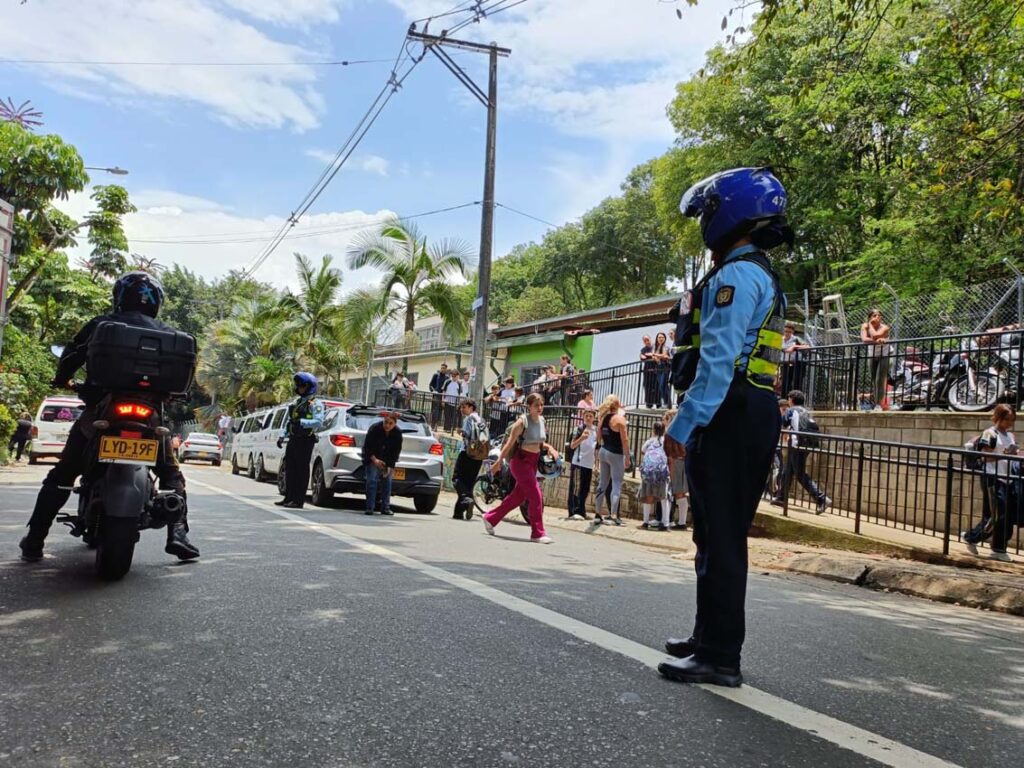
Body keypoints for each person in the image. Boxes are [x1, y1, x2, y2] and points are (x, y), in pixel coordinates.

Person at [660, 167, 790, 688]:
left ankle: (720, 655)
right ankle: (706, 636)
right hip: (742, 409)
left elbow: (717, 365)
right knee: (710, 534)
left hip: (730, 410)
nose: (705, 223)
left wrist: (684, 424)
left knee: (724, 537)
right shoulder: (752, 271)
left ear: (731, 214)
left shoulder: (736, 277)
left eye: (709, 213)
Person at [19, 272, 199, 562]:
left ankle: (35, 539)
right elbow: (185, 379)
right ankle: (178, 533)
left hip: (103, 409)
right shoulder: (171, 335)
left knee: (64, 473)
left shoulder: (102, 324)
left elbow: (70, 357)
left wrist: (62, 379)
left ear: (119, 297)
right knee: (170, 474)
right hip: (149, 416)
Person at [482, 393, 559, 543]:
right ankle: (537, 533)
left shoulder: (542, 421)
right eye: (536, 405)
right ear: (529, 407)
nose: (540, 408)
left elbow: (539, 442)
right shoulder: (522, 422)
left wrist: (550, 448)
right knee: (536, 496)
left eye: (541, 404)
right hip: (520, 462)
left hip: (533, 462)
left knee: (517, 498)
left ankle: (490, 518)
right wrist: (498, 463)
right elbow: (509, 444)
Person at [963, 404, 1020, 562]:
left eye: (1012, 420)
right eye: (1007, 419)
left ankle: (994, 547)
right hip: (992, 477)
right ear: (998, 417)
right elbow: (985, 457)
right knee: (998, 514)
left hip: (1007, 478)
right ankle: (976, 539)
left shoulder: (1010, 436)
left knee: (1003, 515)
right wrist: (1006, 454)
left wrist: (1015, 454)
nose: (1009, 423)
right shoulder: (990, 433)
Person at [771, 390, 830, 514]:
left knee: (800, 474)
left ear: (791, 400)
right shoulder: (806, 411)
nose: (788, 401)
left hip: (797, 444)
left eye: (789, 399)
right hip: (807, 444)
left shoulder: (791, 411)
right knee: (787, 472)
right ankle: (781, 497)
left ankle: (821, 498)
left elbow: (782, 423)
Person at [276, 371, 325, 510]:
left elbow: (319, 422)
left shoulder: (315, 403)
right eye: (298, 386)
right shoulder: (297, 403)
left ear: (309, 386)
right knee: (290, 469)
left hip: (305, 440)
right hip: (293, 439)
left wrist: (303, 422)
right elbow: (290, 422)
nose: (299, 388)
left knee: (300, 471)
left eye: (302, 386)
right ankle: (288, 497)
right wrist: (282, 435)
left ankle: (298, 500)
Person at [593, 394, 632, 526]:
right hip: (616, 453)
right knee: (616, 484)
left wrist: (597, 454)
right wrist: (627, 457)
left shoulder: (603, 418)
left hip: (604, 451)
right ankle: (613, 515)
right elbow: (625, 440)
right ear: (618, 404)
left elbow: (598, 437)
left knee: (602, 483)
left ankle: (597, 513)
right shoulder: (620, 420)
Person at [362, 411, 403, 516]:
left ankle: (385, 507)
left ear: (395, 424)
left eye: (390, 423)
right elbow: (367, 447)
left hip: (387, 460)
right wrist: (375, 460)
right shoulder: (375, 429)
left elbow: (395, 452)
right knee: (372, 481)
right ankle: (370, 507)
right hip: (373, 458)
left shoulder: (397, 434)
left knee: (387, 482)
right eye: (386, 422)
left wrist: (389, 467)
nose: (387, 425)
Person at [452, 399, 486, 521]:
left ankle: (467, 500)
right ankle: (458, 512)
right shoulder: (482, 420)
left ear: (471, 407)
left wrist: (461, 431)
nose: (462, 410)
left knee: (456, 479)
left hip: (467, 453)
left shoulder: (469, 419)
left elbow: (467, 435)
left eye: (464, 407)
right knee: (468, 483)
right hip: (479, 456)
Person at [639, 421, 671, 531]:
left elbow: (642, 452)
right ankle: (665, 523)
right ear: (664, 430)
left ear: (653, 430)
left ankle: (645, 522)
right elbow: (670, 455)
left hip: (649, 472)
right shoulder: (666, 441)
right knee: (664, 497)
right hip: (661, 472)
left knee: (648, 496)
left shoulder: (649, 441)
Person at [567, 408, 597, 520]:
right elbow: (572, 445)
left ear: (594, 418)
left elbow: (596, 448)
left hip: (589, 464)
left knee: (585, 488)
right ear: (583, 417)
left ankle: (581, 511)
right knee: (575, 488)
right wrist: (582, 438)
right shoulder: (579, 429)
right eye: (586, 416)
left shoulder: (595, 430)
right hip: (578, 462)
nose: (588, 418)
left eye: (590, 416)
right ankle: (573, 511)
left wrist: (597, 464)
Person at [662, 409, 689, 530]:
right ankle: (681, 521)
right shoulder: (683, 430)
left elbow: (670, 450)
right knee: (679, 492)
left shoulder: (672, 431)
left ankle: (682, 522)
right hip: (680, 460)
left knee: (679, 491)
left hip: (676, 461)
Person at [861, 309, 891, 411]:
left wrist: (870, 325)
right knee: (874, 380)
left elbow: (874, 335)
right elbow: (864, 340)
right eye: (874, 315)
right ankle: (876, 403)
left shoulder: (885, 327)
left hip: (885, 354)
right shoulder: (864, 326)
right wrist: (877, 341)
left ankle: (879, 404)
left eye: (879, 315)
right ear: (870, 317)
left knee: (880, 379)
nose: (877, 317)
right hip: (872, 355)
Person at [780, 323, 810, 395]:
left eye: (789, 332)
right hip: (785, 363)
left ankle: (797, 400)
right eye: (786, 331)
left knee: (797, 383)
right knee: (785, 383)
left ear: (792, 332)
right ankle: (785, 400)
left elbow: (807, 347)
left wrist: (794, 347)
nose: (787, 333)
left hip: (797, 363)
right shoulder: (780, 339)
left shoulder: (796, 339)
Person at [653, 332, 672, 409]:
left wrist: (655, 355)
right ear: (657, 339)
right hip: (658, 367)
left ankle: (668, 403)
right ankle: (666, 403)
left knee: (663, 385)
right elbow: (654, 356)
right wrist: (655, 357)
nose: (661, 339)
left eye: (662, 337)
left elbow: (664, 355)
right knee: (661, 386)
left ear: (665, 339)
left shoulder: (666, 347)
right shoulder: (656, 347)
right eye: (659, 337)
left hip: (665, 367)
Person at [429, 363, 450, 429]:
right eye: (441, 368)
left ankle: (437, 425)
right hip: (436, 395)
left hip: (443, 396)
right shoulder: (436, 375)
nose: (442, 369)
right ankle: (433, 424)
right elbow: (431, 385)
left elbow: (447, 387)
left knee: (440, 411)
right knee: (435, 410)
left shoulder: (447, 378)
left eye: (444, 368)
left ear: (446, 369)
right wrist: (433, 391)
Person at [640, 335, 658, 408]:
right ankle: (649, 403)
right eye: (645, 340)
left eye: (647, 339)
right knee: (647, 387)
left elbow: (656, 356)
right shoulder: (643, 349)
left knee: (656, 387)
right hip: (647, 371)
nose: (646, 341)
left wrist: (650, 355)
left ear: (650, 339)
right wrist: (649, 356)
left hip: (656, 370)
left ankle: (658, 403)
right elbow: (642, 357)